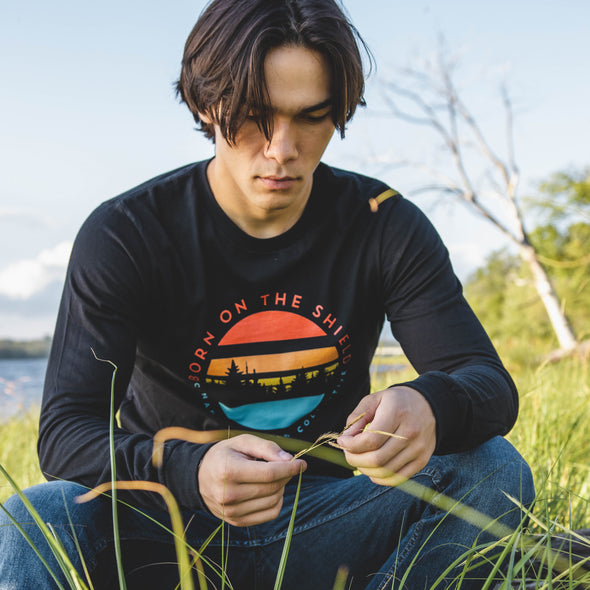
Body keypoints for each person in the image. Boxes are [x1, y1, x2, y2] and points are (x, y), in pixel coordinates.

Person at [0, 0, 534, 588]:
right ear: (207, 103)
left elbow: (486, 382)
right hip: (164, 531)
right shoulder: (127, 232)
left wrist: (430, 404)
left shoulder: (384, 224)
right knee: (33, 516)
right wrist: (193, 468)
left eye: (311, 117)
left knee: (492, 470)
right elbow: (65, 430)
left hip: (324, 521)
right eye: (256, 115)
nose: (282, 149)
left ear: (339, 113)